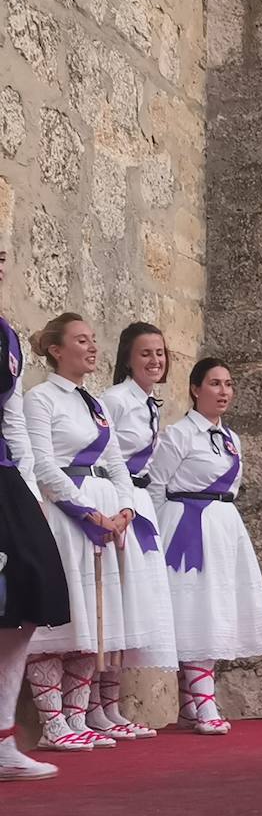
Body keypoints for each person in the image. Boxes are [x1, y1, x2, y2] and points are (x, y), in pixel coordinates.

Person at [23, 314, 142, 751]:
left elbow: (116, 464)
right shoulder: (41, 399)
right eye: (81, 340)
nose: (92, 347)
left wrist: (125, 508)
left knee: (95, 619)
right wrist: (87, 512)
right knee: (64, 616)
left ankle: (77, 717)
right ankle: (53, 724)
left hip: (106, 515)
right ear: (56, 350)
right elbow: (42, 463)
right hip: (65, 514)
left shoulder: (94, 403)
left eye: (93, 339)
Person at [149, 358, 262, 735]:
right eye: (215, 384)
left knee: (217, 607)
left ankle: (191, 702)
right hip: (187, 526)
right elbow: (157, 485)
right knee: (195, 608)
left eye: (229, 384)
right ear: (195, 389)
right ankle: (204, 701)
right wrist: (158, 537)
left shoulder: (232, 439)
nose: (224, 392)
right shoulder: (179, 435)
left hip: (223, 526)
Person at [0, 247, 73, 780]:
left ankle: (3, 736)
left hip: (3, 476)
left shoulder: (4, 334)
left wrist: (25, 489)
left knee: (30, 594)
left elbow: (10, 417)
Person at [91, 323, 181, 738]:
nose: (155, 360)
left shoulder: (147, 401)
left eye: (160, 353)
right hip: (116, 497)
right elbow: (102, 453)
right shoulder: (115, 399)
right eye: (146, 353)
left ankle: (110, 706)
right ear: (128, 357)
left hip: (139, 499)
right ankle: (94, 706)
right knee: (112, 602)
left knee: (131, 605)